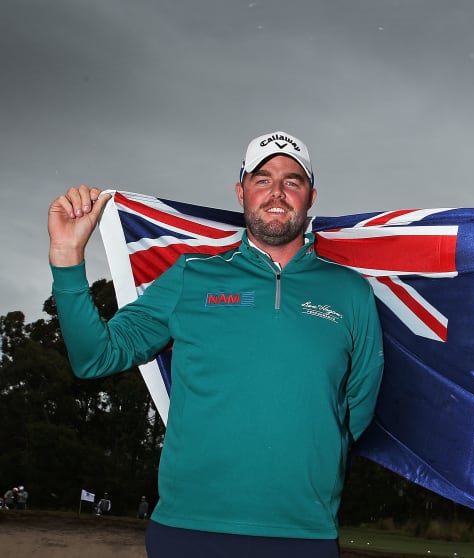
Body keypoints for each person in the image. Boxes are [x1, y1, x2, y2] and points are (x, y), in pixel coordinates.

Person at [48, 131, 384, 557]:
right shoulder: (192, 276)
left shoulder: (350, 292)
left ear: (310, 196)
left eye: (292, 181)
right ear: (241, 191)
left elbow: (356, 408)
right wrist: (67, 255)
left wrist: (312, 455)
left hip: (304, 533)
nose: (276, 192)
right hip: (188, 529)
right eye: (262, 179)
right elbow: (95, 357)